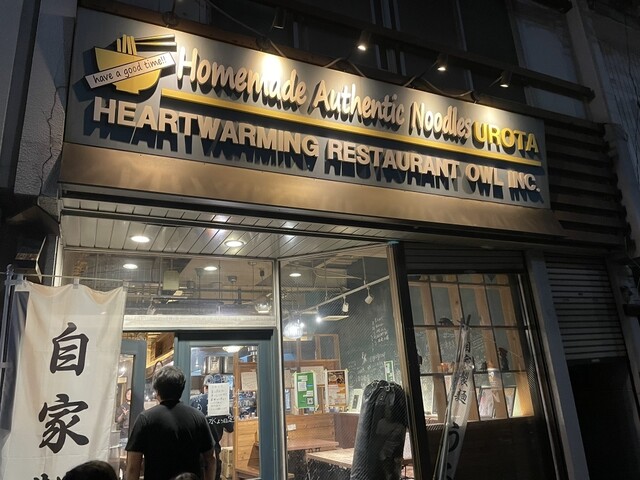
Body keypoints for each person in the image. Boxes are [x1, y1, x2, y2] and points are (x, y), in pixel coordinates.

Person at [125, 366, 216, 480]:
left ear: (157, 391)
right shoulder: (198, 417)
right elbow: (210, 459)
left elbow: (133, 467)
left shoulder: (145, 419)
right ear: (181, 389)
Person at [190, 375, 235, 480]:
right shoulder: (223, 404)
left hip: (194, 449)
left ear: (205, 387)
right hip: (213, 449)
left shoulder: (193, 401)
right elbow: (230, 428)